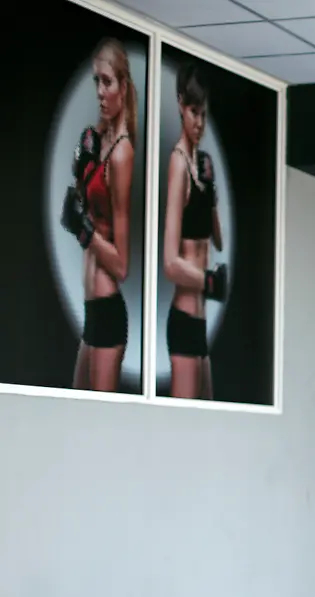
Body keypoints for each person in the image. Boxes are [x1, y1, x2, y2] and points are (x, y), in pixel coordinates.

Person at [61, 37, 137, 392]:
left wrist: (84, 230)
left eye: (107, 81)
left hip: (107, 311)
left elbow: (121, 265)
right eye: (96, 81)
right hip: (92, 311)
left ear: (123, 86)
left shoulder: (122, 154)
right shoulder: (99, 142)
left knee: (93, 430)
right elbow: (82, 214)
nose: (100, 91)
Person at [161, 60, 226, 400]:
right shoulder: (178, 164)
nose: (199, 122)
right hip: (185, 318)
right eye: (193, 112)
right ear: (180, 106)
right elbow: (170, 263)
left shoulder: (201, 167)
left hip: (200, 321)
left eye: (204, 114)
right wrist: (209, 281)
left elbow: (218, 240)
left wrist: (211, 193)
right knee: (183, 427)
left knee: (209, 416)